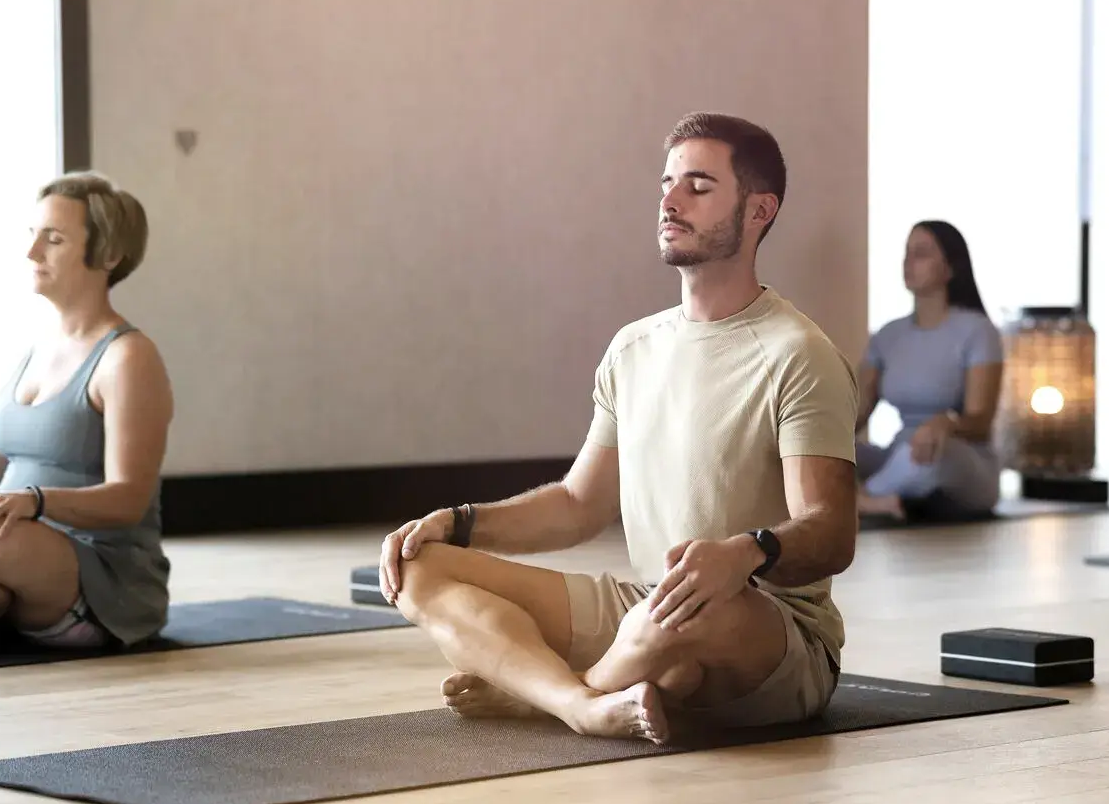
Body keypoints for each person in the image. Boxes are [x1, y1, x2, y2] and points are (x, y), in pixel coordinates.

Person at [378, 113, 859, 745]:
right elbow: (579, 504)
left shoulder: (799, 352)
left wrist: (746, 551)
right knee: (420, 568)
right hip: (649, 609)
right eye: (667, 182)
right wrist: (460, 521)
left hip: (764, 627)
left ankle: (554, 697)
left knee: (694, 616)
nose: (670, 199)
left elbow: (830, 531)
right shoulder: (633, 348)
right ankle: (591, 695)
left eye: (699, 185)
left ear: (759, 210)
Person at [0, 172, 174, 651]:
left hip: (101, 577)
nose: (31, 252)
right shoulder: (33, 353)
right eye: (32, 235)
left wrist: (34, 501)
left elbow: (128, 497)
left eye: (53, 239)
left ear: (107, 256)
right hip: (13, 555)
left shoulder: (128, 357)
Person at [854, 220, 1004, 522]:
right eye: (906, 253)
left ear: (950, 267)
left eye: (921, 254)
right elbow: (855, 415)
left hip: (959, 458)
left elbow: (981, 422)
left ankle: (857, 501)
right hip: (897, 455)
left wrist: (945, 423)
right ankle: (871, 499)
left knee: (927, 456)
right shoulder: (888, 336)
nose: (909, 262)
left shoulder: (977, 331)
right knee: (811, 452)